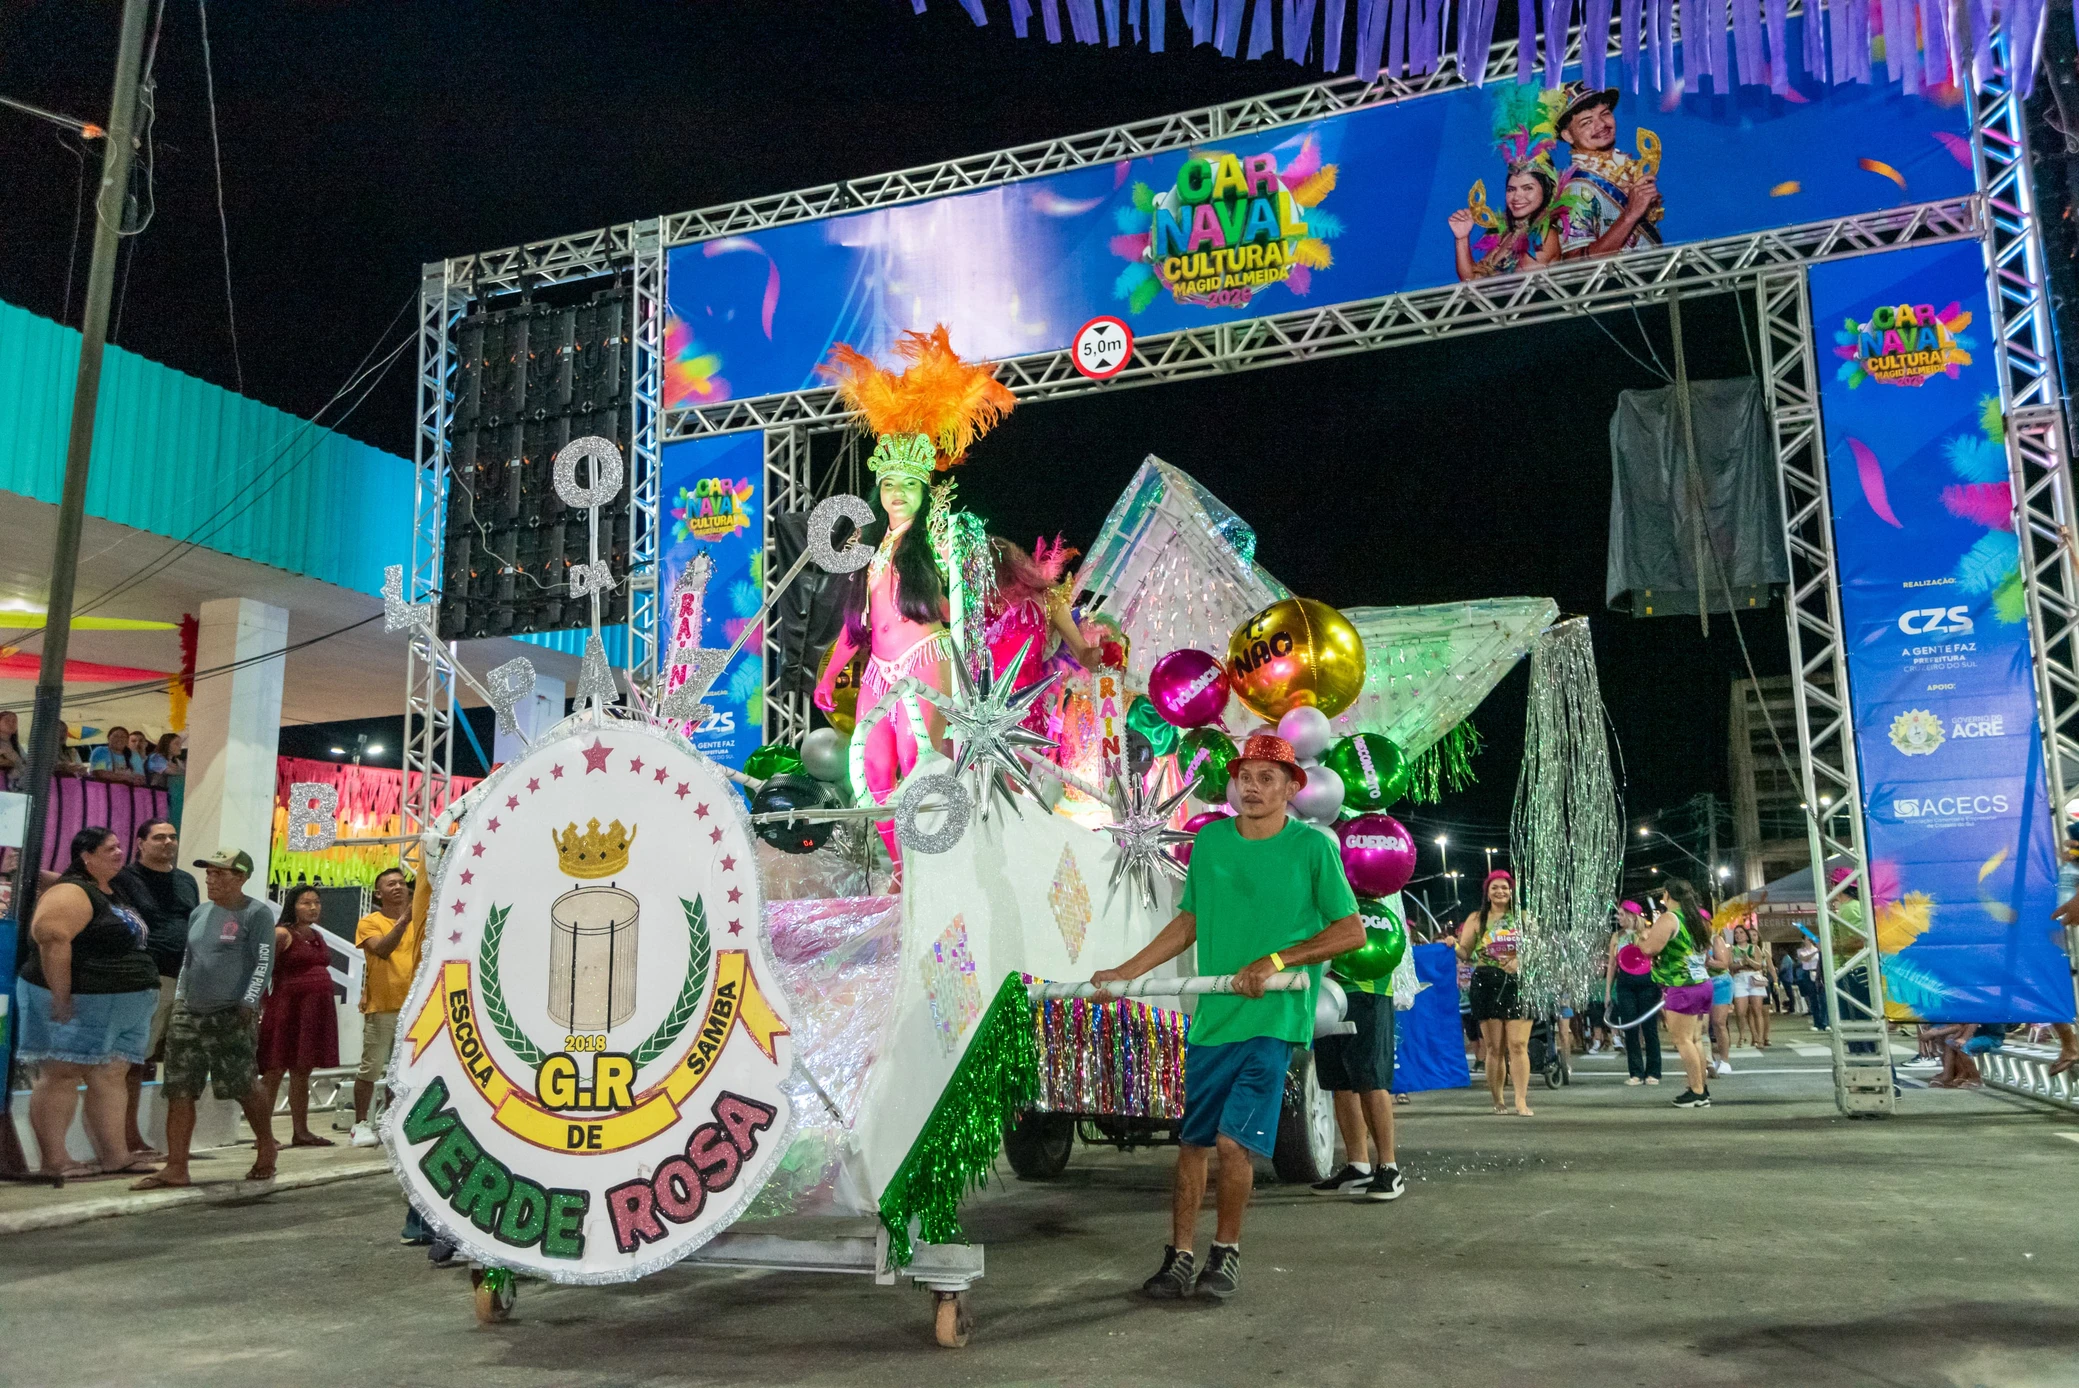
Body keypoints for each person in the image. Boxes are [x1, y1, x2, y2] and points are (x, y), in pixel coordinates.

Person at [1089, 735, 1363, 1301]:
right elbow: (1188, 922)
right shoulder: (1210, 842)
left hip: (1272, 1017)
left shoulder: (1313, 849)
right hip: (1212, 1019)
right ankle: (1180, 1256)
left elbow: (1350, 931)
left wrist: (1277, 960)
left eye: (1268, 778)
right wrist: (1124, 973)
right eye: (1246, 777)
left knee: (1233, 1143)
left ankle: (1226, 1252)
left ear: (1292, 788)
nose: (1254, 788)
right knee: (1191, 1144)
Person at [814, 327, 1015, 873]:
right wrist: (830, 674)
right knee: (874, 776)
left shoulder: (936, 541)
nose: (896, 494)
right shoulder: (871, 549)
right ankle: (906, 873)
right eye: (888, 486)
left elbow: (961, 615)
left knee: (918, 764)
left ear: (926, 489)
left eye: (908, 485)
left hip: (926, 661)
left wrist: (954, 561)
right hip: (877, 671)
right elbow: (857, 626)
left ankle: (939, 873)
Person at [13, 827, 161, 1177]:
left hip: (122, 1001)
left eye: (120, 846)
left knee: (111, 1075)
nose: (119, 852)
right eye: (110, 848)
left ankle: (115, 1155)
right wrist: (61, 997)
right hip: (77, 999)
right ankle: (55, 1160)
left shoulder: (110, 889)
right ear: (86, 855)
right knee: (61, 1073)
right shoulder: (72, 891)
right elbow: (51, 937)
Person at [130, 848, 278, 1189]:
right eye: (208, 873)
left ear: (240, 878)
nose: (210, 879)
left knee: (243, 1084)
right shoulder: (199, 913)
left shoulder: (256, 914)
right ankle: (176, 1167)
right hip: (189, 1012)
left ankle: (266, 1144)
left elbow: (263, 961)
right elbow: (189, 961)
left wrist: (249, 1001)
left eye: (220, 873)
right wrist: (180, 998)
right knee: (180, 1089)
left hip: (231, 1012)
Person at [1309, 899, 1407, 1204]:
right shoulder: (1323, 884)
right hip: (1325, 992)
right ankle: (1358, 1166)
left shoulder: (1369, 893)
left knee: (1370, 1080)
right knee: (1340, 1083)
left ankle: (1389, 1168)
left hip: (1367, 990)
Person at [112, 818, 199, 1159]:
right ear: (140, 843)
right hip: (148, 978)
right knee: (134, 1059)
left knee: (178, 1063)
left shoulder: (186, 881)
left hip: (187, 980)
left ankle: (173, 1144)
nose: (168, 842)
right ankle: (126, 1136)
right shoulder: (125, 879)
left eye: (173, 837)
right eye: (159, 837)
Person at [256, 884, 340, 1148]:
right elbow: (261, 970)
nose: (313, 907)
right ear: (293, 905)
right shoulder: (281, 933)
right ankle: (263, 1135)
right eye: (305, 903)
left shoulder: (316, 935)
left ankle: (301, 1131)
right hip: (286, 1008)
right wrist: (257, 1005)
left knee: (303, 1070)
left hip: (314, 1011)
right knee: (274, 1069)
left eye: (316, 902)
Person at [1640, 877, 1727, 1108]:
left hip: (1683, 985)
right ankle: (1700, 1088)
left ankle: (1697, 1091)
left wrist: (1643, 938)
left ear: (1668, 895)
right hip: (1702, 983)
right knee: (1695, 1039)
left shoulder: (1670, 918)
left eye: (1663, 895)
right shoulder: (1698, 918)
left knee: (1682, 1040)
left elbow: (1651, 949)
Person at [1552, 80, 1663, 259]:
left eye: (1605, 114)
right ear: (1568, 135)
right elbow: (1576, 266)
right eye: (1587, 122)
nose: (1601, 125)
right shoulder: (1577, 189)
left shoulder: (1626, 170)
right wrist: (1630, 214)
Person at [352, 865, 421, 1147]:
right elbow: (381, 949)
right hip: (383, 1007)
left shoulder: (424, 921)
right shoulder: (370, 922)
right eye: (390, 884)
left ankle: (392, 1120)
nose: (397, 887)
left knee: (402, 1070)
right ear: (378, 893)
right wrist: (404, 920)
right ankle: (359, 1124)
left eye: (401, 882)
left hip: (415, 1007)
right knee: (372, 1067)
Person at [1456, 870, 1534, 1117]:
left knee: (1519, 1045)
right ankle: (1498, 1099)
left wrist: (1521, 960)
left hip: (1517, 982)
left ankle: (1521, 1101)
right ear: (1487, 893)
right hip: (1486, 981)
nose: (1500, 891)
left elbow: (1538, 948)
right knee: (1494, 1047)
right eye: (1495, 888)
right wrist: (1452, 944)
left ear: (1511, 892)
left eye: (1505, 887)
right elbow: (1466, 952)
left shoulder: (1522, 917)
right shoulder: (1477, 918)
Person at [1605, 902, 1662, 1086]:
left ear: (1632, 916)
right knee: (1629, 1028)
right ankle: (1636, 1072)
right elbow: (1612, 965)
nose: (1618, 918)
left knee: (1649, 1028)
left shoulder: (1647, 934)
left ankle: (1653, 1071)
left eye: (1621, 914)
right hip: (1625, 984)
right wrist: (1608, 991)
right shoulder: (1616, 936)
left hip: (1647, 983)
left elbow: (1655, 956)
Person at [1730, 925, 1772, 1049]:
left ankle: (1759, 1039)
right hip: (1739, 979)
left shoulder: (1755, 948)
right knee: (1740, 1011)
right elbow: (1730, 966)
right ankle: (1742, 1036)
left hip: (1755, 978)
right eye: (1736, 933)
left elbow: (1759, 966)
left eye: (1741, 932)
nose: (1738, 935)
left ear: (1746, 935)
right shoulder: (1732, 949)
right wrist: (1742, 964)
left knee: (1757, 1010)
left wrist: (1748, 961)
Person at [0, 707, 25, 791]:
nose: (11, 723)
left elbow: (26, 761)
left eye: (14, 721)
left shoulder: (16, 746)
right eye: (7, 720)